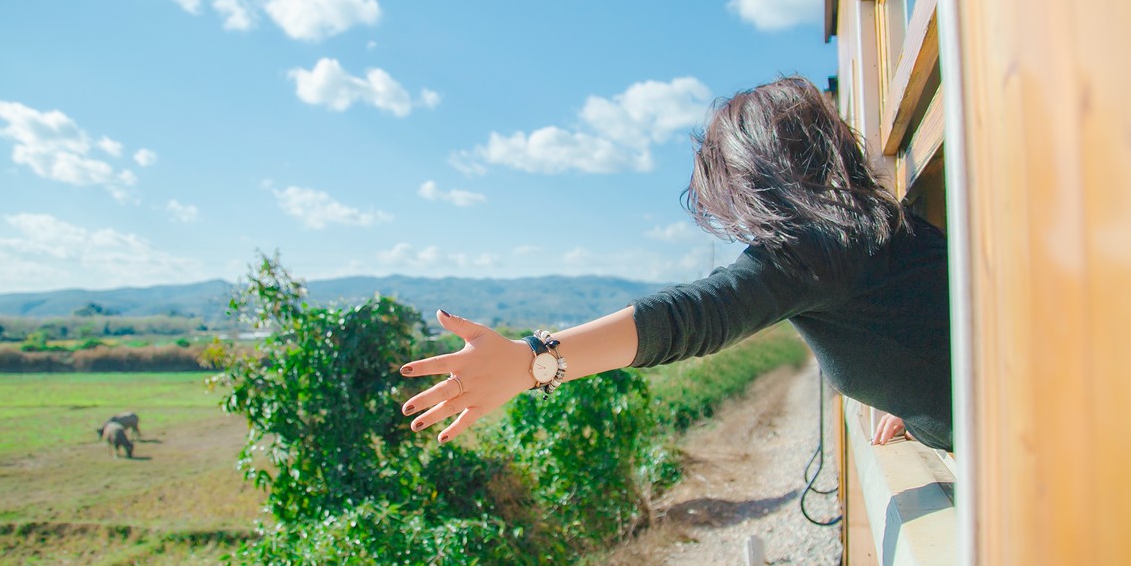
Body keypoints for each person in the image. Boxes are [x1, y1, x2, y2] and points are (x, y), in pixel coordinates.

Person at [400, 76, 952, 452]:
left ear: (755, 174)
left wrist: (531, 363)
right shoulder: (881, 234)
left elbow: (695, 316)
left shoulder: (814, 250)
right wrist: (909, 397)